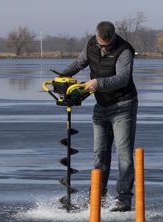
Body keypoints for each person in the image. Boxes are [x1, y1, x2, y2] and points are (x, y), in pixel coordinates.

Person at [58, 21, 138, 212]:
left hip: (123, 106)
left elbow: (122, 78)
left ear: (113, 38)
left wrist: (97, 83)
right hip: (101, 107)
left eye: (107, 45)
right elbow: (79, 63)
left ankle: (124, 199)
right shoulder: (91, 44)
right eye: (100, 44)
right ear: (96, 37)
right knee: (99, 154)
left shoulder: (124, 50)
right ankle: (97, 197)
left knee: (124, 155)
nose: (103, 48)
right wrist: (61, 76)